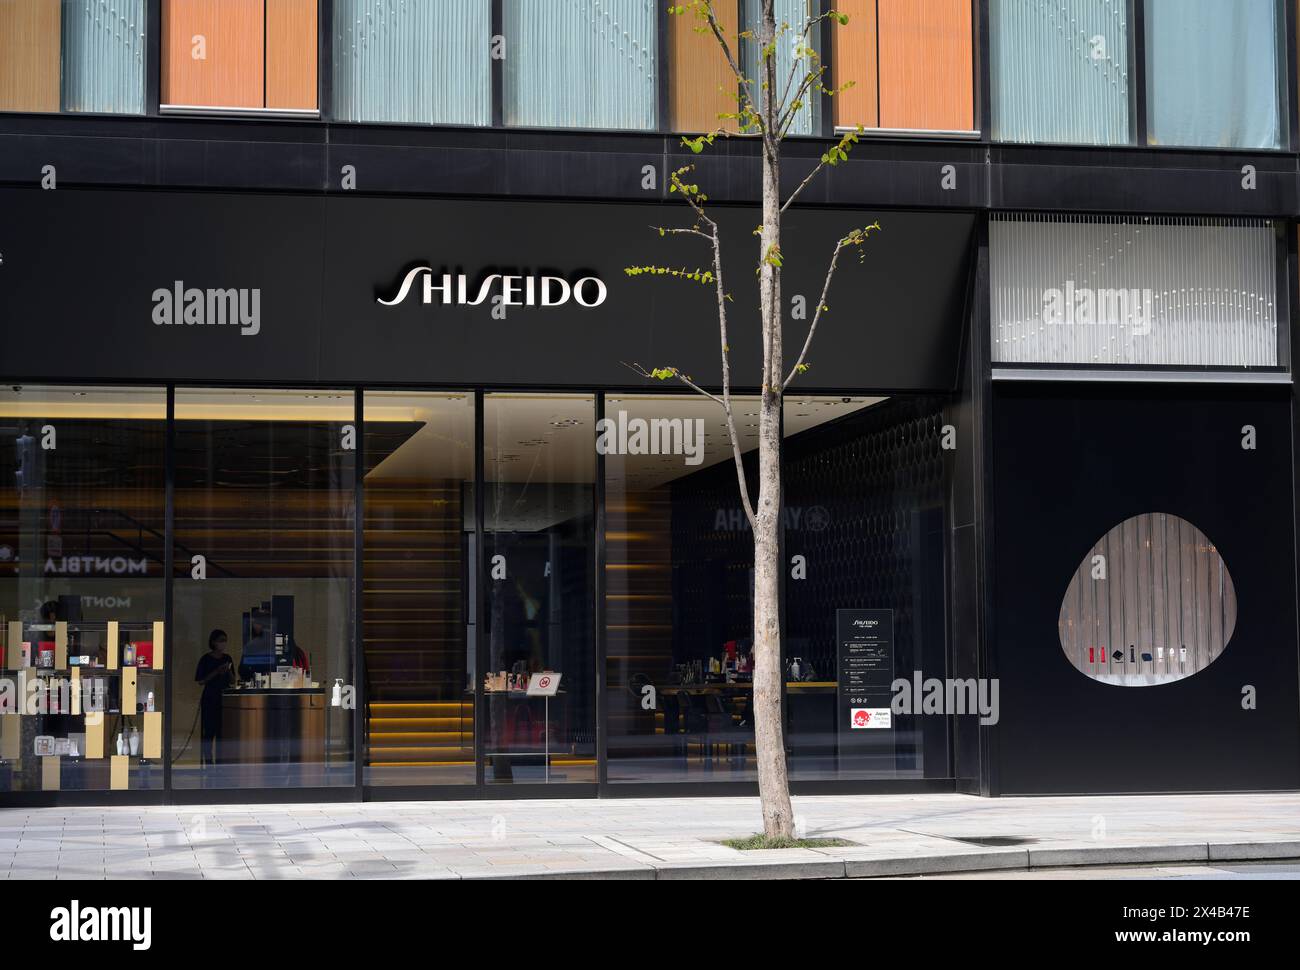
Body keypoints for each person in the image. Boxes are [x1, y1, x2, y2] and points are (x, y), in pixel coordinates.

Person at [194, 629, 235, 766]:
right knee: (209, 733)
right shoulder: (206, 659)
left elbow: (233, 681)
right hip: (210, 699)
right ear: (213, 642)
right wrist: (216, 672)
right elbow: (200, 681)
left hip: (224, 701)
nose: (223, 644)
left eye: (225, 640)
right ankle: (209, 761)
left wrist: (227, 671)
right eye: (220, 640)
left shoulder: (227, 658)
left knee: (222, 734)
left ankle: (221, 762)